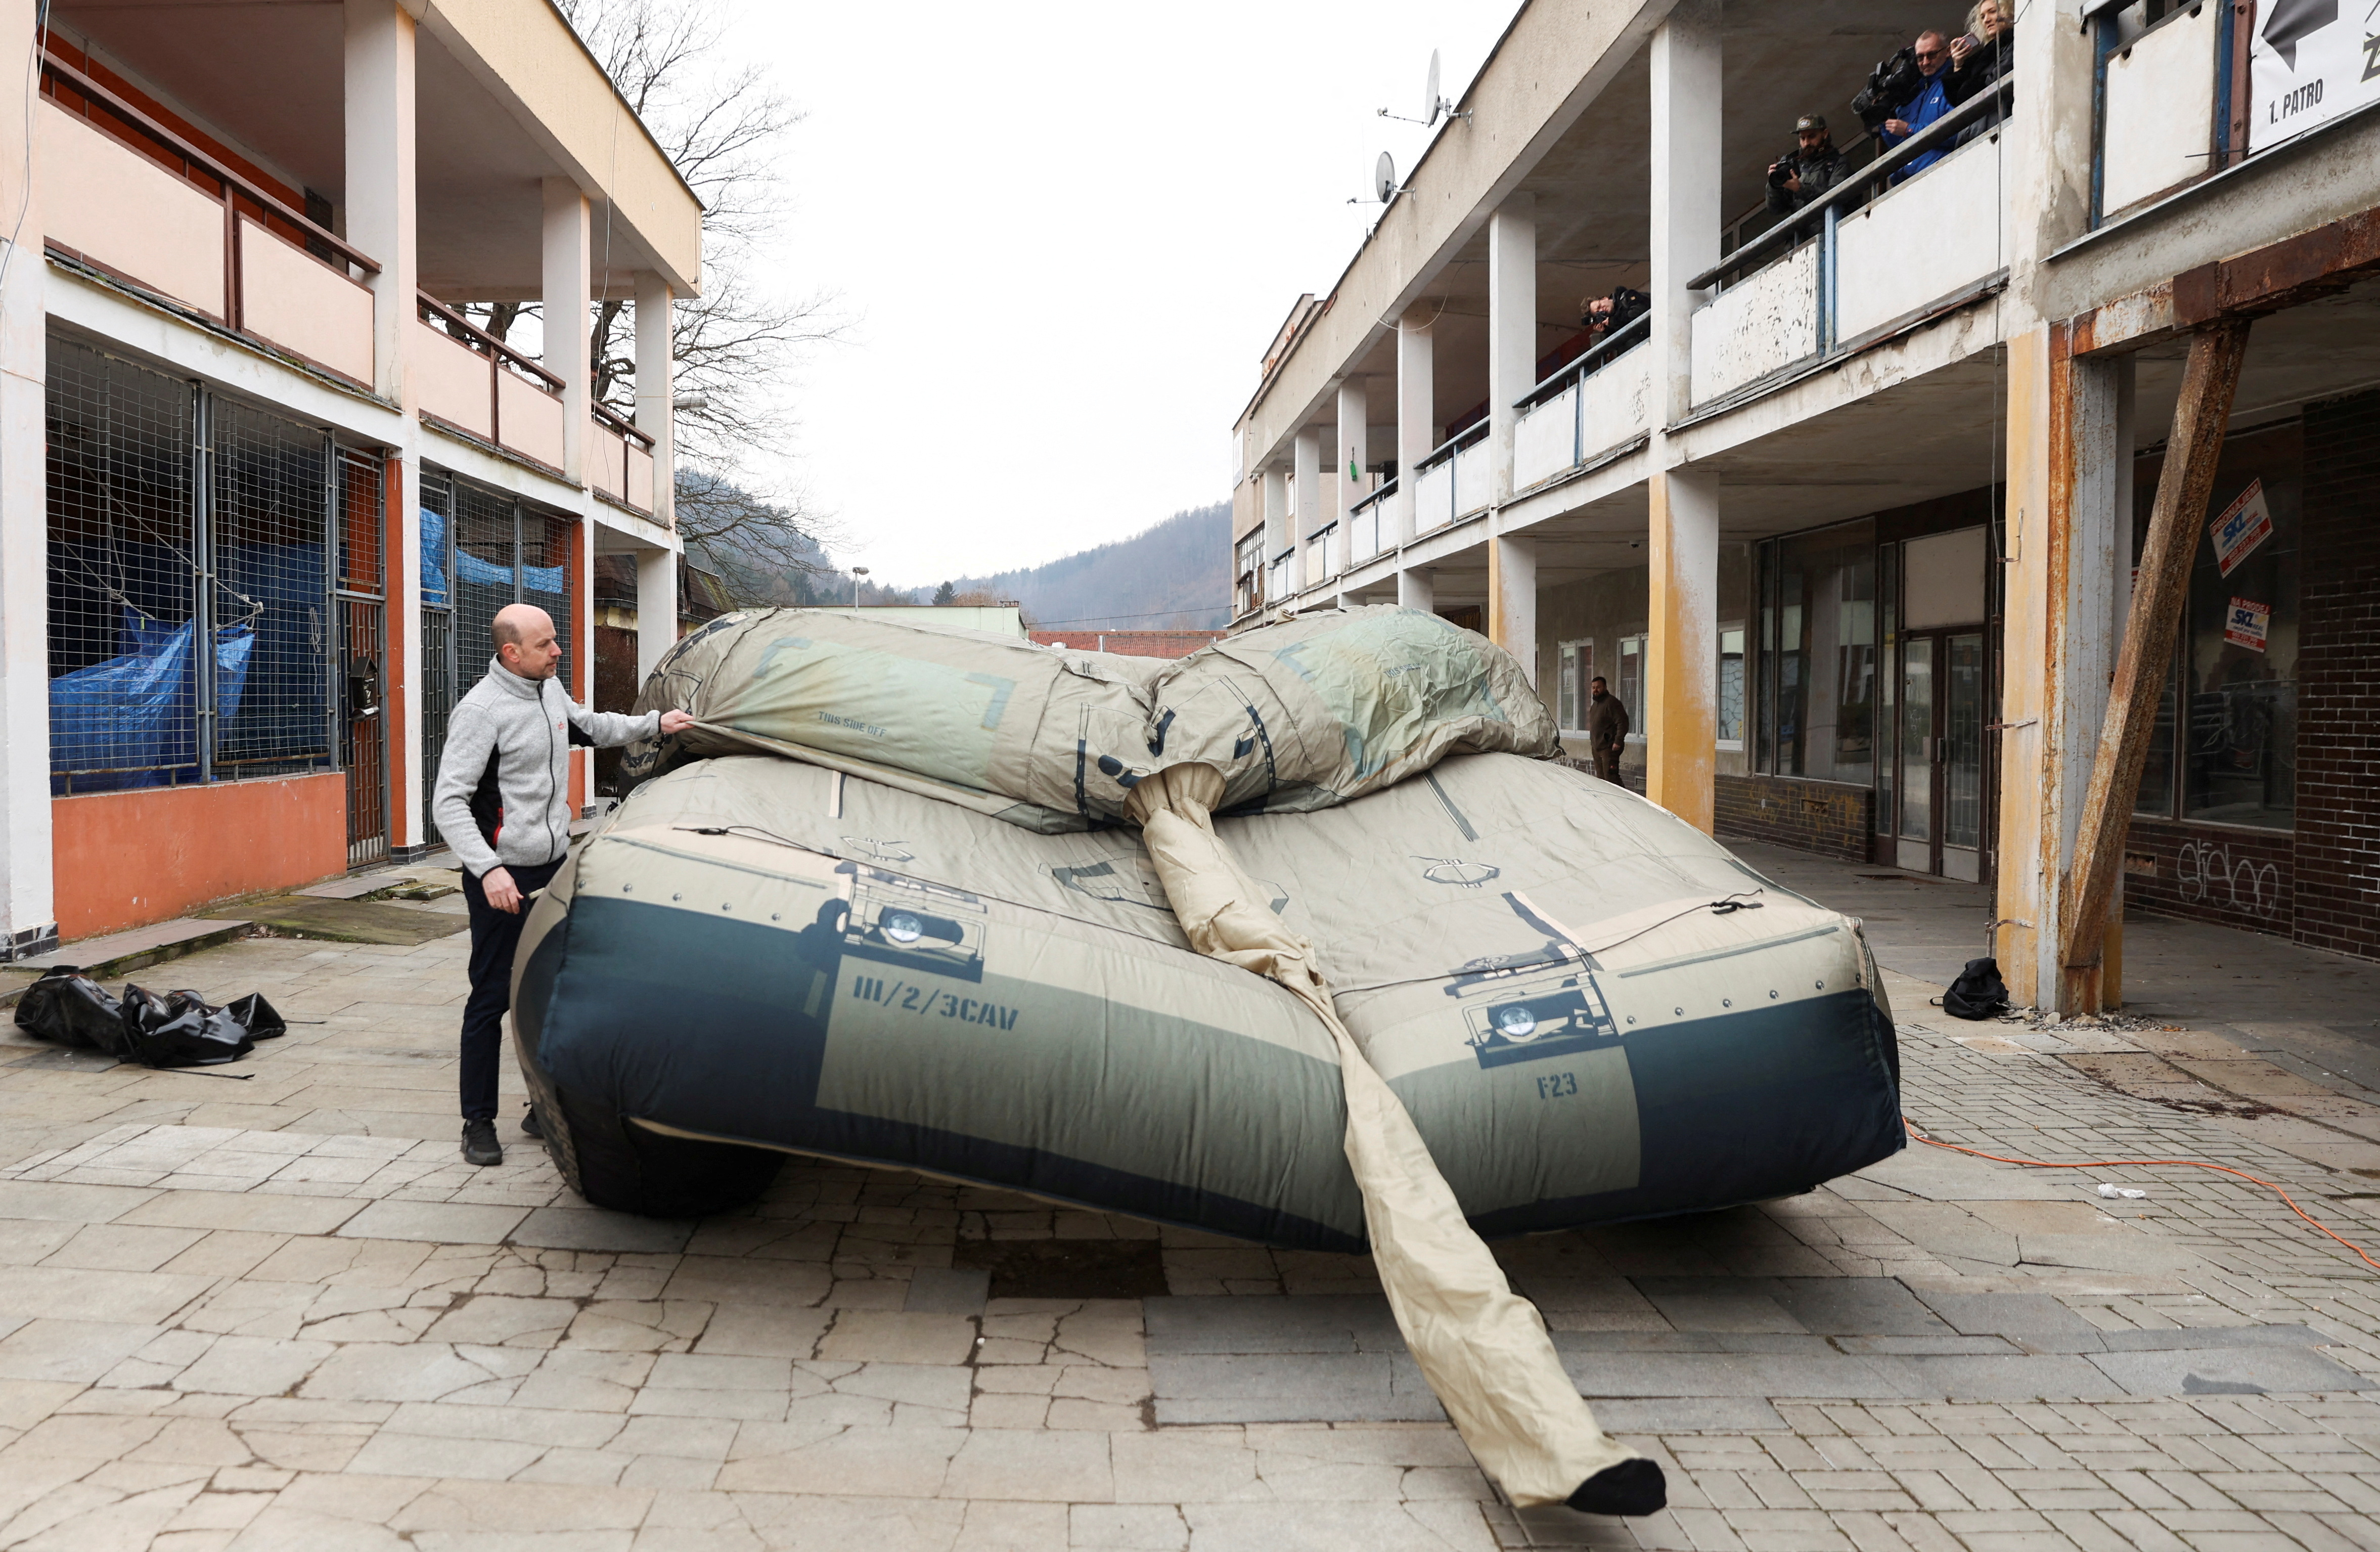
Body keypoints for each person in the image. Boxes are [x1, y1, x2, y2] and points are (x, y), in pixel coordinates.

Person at [433, 602, 693, 1166]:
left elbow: (592, 725)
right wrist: (489, 870)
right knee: (493, 997)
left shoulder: (547, 690)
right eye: (547, 644)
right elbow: (448, 802)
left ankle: (540, 1107)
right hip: (503, 877)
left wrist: (656, 724)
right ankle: (476, 1122)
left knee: (551, 988)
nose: (558, 652)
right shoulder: (481, 712)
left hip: (552, 865)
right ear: (512, 652)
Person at [1877, 31, 1956, 180]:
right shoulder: (1912, 94)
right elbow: (1901, 146)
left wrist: (1909, 129)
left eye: (1932, 55)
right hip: (1910, 183)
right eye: (1920, 57)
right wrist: (1882, 120)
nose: (1925, 62)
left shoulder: (1954, 81)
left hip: (1943, 174)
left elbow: (1956, 133)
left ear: (1947, 52)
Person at [1946, 0, 2013, 136]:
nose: (1987, 20)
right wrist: (1959, 65)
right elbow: (1957, 101)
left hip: (1998, 126)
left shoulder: (2016, 41)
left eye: (1993, 12)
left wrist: (1969, 87)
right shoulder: (1981, 57)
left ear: (2011, 13)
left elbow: (1995, 81)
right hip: (1974, 131)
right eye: (1982, 17)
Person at [1765, 114, 1849, 218]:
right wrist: (1774, 185)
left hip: (1831, 228)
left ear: (1825, 134)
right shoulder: (1795, 166)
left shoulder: (1839, 162)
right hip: (1803, 233)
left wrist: (1799, 188)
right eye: (1802, 138)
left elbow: (1835, 198)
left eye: (1811, 137)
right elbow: (1775, 209)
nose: (1806, 143)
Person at [1583, 675, 1629, 785]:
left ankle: (1622, 801)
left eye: (1598, 687)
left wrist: (1618, 741)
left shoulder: (1612, 703)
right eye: (1593, 688)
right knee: (1601, 780)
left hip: (1609, 748)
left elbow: (1623, 722)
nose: (1595, 690)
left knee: (1611, 779)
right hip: (1597, 748)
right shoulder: (1595, 706)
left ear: (1605, 687)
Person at [1579, 285, 1649, 346]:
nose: (1602, 310)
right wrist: (1607, 330)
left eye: (1600, 306)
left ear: (1605, 298)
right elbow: (1622, 342)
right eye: (1598, 312)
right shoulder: (1613, 322)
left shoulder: (1626, 296)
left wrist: (1615, 321)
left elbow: (1640, 311)